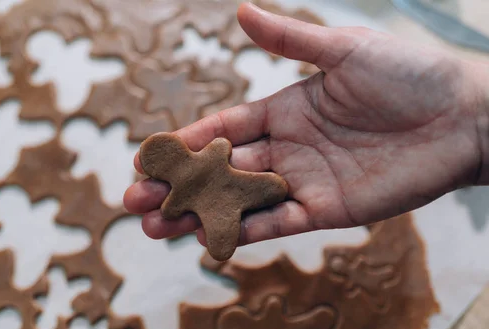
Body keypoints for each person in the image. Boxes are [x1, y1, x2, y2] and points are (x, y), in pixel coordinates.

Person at [123, 2, 489, 248]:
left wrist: (470, 109)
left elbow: (213, 159)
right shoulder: (207, 164)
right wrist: (469, 112)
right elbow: (205, 167)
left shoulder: (214, 159)